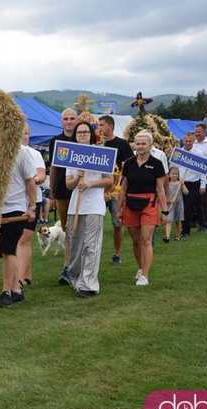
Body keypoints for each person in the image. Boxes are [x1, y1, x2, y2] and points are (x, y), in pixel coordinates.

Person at [0, 115, 36, 307]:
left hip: (14, 210)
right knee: (1, 252)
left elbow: (30, 181)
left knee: (9, 249)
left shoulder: (20, 152)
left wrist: (32, 206)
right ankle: (17, 290)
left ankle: (6, 292)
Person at [64, 122, 113, 297]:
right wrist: (78, 176)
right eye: (79, 132)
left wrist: (91, 183)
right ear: (75, 135)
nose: (82, 134)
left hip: (94, 206)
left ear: (90, 134)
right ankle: (76, 276)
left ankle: (89, 284)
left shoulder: (101, 154)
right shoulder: (71, 155)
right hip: (75, 206)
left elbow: (110, 181)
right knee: (76, 244)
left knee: (91, 244)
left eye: (85, 132)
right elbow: (68, 184)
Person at [117, 130, 167, 286]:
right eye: (137, 143)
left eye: (143, 143)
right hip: (130, 204)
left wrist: (165, 210)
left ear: (150, 145)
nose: (140, 146)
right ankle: (140, 268)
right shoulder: (129, 163)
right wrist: (119, 208)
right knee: (136, 241)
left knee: (146, 240)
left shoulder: (157, 164)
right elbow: (123, 188)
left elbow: (160, 189)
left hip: (149, 204)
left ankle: (145, 275)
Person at [98, 115, 133, 265]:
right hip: (98, 189)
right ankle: (93, 253)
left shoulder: (122, 144)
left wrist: (122, 186)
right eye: (98, 125)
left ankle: (117, 254)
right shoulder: (96, 144)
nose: (99, 127)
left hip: (116, 191)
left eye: (102, 124)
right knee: (95, 223)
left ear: (110, 126)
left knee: (117, 223)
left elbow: (129, 166)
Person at [49, 108, 77, 284]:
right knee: (67, 230)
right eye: (65, 118)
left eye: (72, 118)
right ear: (61, 121)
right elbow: (52, 166)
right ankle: (67, 266)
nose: (68, 121)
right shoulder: (55, 141)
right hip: (61, 189)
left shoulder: (83, 137)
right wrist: (51, 190)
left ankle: (78, 265)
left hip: (81, 189)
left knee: (79, 230)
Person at [17, 124, 46, 287]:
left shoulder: (34, 154)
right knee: (21, 240)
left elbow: (41, 175)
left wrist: (29, 181)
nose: (25, 136)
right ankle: (27, 274)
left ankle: (19, 279)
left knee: (24, 239)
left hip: (33, 200)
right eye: (22, 133)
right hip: (15, 202)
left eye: (27, 133)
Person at [179, 133, 207, 237]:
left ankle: (187, 231)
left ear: (193, 141)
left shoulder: (198, 153)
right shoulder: (178, 153)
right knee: (183, 208)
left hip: (194, 183)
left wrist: (203, 184)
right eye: (186, 141)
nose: (188, 143)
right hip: (181, 183)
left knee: (191, 207)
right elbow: (174, 167)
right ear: (183, 141)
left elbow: (204, 171)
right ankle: (184, 229)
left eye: (190, 141)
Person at [163, 167, 186, 242]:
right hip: (170, 205)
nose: (174, 175)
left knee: (178, 220)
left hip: (179, 204)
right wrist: (169, 200)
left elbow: (186, 192)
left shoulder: (179, 183)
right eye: (172, 174)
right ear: (169, 175)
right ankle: (167, 236)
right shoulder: (167, 185)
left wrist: (182, 185)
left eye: (176, 174)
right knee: (168, 220)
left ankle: (178, 235)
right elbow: (164, 195)